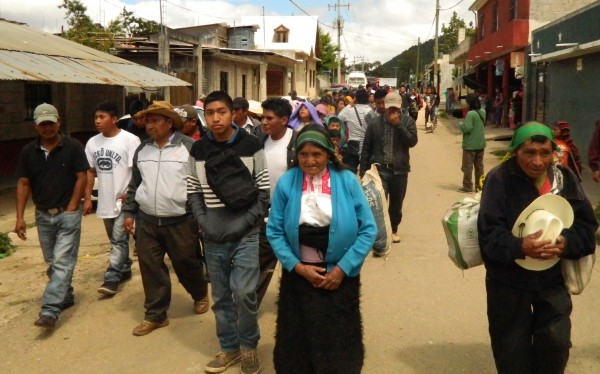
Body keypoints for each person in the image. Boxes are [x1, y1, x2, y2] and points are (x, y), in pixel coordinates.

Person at [478, 122, 597, 374]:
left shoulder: (565, 179)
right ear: (514, 152)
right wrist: (520, 246)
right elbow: (489, 236)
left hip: (552, 280)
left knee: (555, 345)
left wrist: (566, 243)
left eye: (545, 153)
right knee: (511, 352)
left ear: (553, 152)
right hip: (508, 282)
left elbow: (588, 228)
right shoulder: (499, 179)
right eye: (529, 153)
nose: (538, 161)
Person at [266, 124, 377, 374]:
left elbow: (368, 229)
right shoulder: (287, 182)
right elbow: (274, 231)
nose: (310, 160)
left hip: (339, 276)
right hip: (299, 275)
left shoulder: (347, 181)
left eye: (317, 154)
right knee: (297, 335)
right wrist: (298, 267)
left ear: (329, 152)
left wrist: (342, 269)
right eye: (303, 154)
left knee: (337, 335)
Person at [187, 91, 269, 374]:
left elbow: (263, 192)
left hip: (245, 234)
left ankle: (249, 347)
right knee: (220, 296)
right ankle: (229, 349)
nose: (216, 118)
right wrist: (202, 221)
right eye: (210, 113)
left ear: (233, 113)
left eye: (221, 111)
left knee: (245, 292)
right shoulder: (198, 150)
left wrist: (244, 223)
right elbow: (193, 190)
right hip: (212, 235)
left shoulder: (251, 144)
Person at [123, 101, 209, 337]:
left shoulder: (190, 147)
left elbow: (201, 185)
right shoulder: (143, 150)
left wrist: (201, 216)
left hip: (181, 220)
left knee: (186, 262)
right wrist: (129, 212)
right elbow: (135, 185)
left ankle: (199, 292)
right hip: (148, 220)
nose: (149, 126)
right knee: (150, 267)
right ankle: (156, 315)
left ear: (169, 123)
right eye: (147, 121)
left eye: (155, 120)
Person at [14, 103, 89, 329]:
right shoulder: (28, 151)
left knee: (62, 262)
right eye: (43, 124)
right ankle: (65, 294)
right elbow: (23, 183)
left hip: (67, 214)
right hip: (43, 216)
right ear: (36, 127)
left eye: (51, 122)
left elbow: (81, 177)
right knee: (53, 261)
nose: (48, 128)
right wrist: (19, 217)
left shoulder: (73, 146)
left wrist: (73, 206)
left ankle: (50, 309)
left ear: (59, 122)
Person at [83, 101, 140, 295]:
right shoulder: (92, 143)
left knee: (118, 239)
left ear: (114, 119)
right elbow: (90, 171)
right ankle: (124, 268)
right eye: (96, 117)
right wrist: (88, 197)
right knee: (115, 239)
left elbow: (137, 170)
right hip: (106, 201)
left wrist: (131, 193)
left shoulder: (130, 140)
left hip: (124, 199)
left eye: (102, 117)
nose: (97, 121)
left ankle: (112, 278)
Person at [360, 91, 418, 244]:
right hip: (379, 170)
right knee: (379, 204)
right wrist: (363, 172)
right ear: (384, 107)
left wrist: (398, 124)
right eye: (390, 108)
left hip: (400, 170)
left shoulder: (408, 122)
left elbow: (412, 141)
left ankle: (393, 229)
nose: (393, 111)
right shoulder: (374, 124)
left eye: (395, 108)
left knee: (396, 204)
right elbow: (366, 148)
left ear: (400, 108)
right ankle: (379, 234)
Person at [256, 97, 296, 307]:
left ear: (284, 120)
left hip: (293, 214)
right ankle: (247, 307)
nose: (263, 121)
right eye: (262, 117)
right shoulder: (258, 141)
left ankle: (293, 303)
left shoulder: (297, 142)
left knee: (294, 261)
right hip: (265, 213)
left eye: (269, 118)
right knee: (261, 261)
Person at [338, 88, 372, 173]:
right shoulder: (370, 111)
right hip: (366, 143)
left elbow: (339, 117)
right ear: (367, 99)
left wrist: (350, 104)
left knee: (351, 171)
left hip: (353, 144)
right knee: (366, 172)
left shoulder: (350, 110)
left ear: (355, 98)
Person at [458, 95, 486, 193]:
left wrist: (461, 124)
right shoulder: (483, 112)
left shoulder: (471, 114)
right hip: (480, 144)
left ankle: (467, 186)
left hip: (470, 145)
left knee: (468, 166)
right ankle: (480, 186)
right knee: (479, 166)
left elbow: (467, 128)